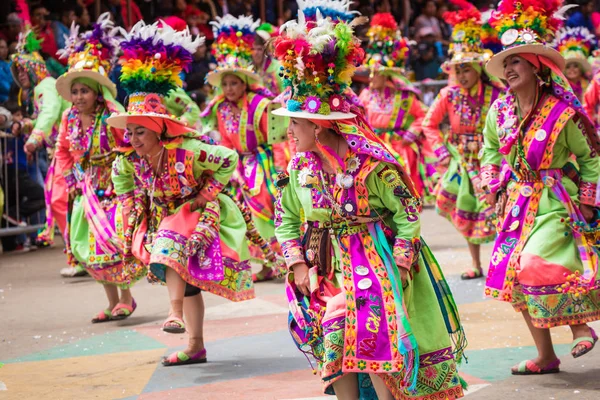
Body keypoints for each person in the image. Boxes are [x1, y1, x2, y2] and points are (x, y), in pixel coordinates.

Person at [273, 11, 466, 399]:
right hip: (322, 264)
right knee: (335, 342)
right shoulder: (297, 167)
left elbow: (408, 216)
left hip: (375, 260)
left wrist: (402, 262)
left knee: (350, 325)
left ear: (319, 126)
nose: (288, 131)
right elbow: (286, 218)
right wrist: (296, 262)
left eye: (295, 123)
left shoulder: (374, 166)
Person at [107, 20, 256, 365]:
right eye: (130, 132)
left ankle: (173, 314)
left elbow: (228, 158)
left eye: (141, 132)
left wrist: (207, 194)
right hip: (165, 217)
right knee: (186, 282)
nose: (133, 140)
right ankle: (195, 346)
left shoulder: (189, 150)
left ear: (160, 130)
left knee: (171, 243)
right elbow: (122, 186)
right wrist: (131, 216)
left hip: (197, 214)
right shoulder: (128, 161)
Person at [482, 0, 600, 375]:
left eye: (517, 61)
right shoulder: (498, 111)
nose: (509, 68)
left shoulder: (562, 114)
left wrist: (586, 202)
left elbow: (592, 158)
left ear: (537, 66)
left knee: (535, 263)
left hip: (554, 201)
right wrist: (490, 182)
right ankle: (546, 356)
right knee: (515, 278)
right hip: (516, 202)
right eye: (506, 62)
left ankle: (580, 325)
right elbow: (488, 150)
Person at [201, 14, 288, 282]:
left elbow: (276, 139)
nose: (228, 88)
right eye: (225, 83)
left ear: (245, 83)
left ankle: (276, 260)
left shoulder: (260, 105)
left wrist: (280, 171)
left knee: (263, 206)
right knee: (238, 212)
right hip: (235, 165)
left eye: (234, 83)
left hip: (262, 163)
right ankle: (260, 262)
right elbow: (223, 141)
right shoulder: (219, 107)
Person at [422, 0, 503, 280]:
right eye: (458, 70)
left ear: (479, 69)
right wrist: (443, 153)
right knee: (467, 211)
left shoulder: (497, 94)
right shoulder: (449, 95)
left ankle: (501, 262)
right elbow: (429, 124)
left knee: (499, 210)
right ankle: (476, 263)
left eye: (467, 69)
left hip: (493, 158)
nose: (462, 75)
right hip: (462, 160)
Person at [359, 12, 435, 200]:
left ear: (386, 75)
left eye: (375, 73)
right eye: (370, 73)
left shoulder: (404, 96)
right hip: (374, 144)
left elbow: (422, 116)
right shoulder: (366, 94)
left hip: (399, 145)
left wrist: (410, 133)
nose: (370, 78)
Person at [10, 28, 72, 253]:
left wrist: (35, 138)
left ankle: (77, 252)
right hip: (65, 152)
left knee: (58, 199)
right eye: (17, 71)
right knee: (61, 200)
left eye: (23, 69)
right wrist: (26, 125)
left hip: (69, 152)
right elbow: (41, 116)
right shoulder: (43, 88)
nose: (21, 74)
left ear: (34, 67)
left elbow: (49, 112)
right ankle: (76, 251)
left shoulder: (45, 86)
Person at [552, 26, 596, 101]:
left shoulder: (588, 83)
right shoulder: (560, 87)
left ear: (581, 69)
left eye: (575, 66)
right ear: (564, 70)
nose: (572, 69)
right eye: (568, 67)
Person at [253, 23, 284, 95]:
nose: (255, 53)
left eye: (259, 49)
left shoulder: (278, 68)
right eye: (252, 49)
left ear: (266, 51)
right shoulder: (249, 68)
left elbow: (286, 93)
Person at [0, 38, 12, 103]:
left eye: (6, 47)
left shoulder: (8, 64)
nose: (5, 50)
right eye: (1, 47)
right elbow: (5, 87)